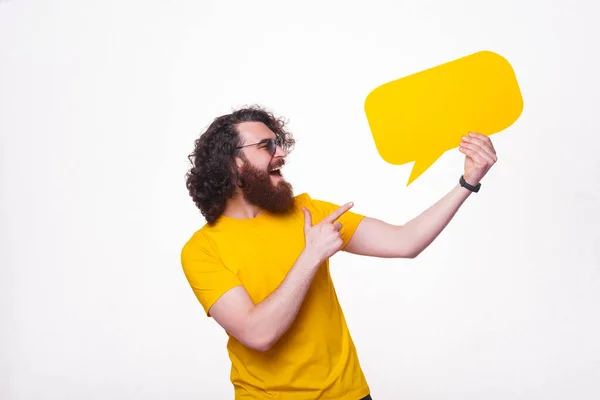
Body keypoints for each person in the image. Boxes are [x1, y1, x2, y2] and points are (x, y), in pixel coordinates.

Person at [181, 105, 497, 399]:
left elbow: (405, 241)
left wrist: (468, 182)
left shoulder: (309, 212)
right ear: (232, 163)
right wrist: (311, 255)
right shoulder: (202, 250)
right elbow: (259, 333)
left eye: (280, 142)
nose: (282, 153)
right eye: (267, 146)